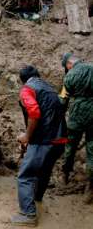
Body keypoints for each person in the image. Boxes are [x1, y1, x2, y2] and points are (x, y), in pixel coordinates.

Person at [10, 65, 67, 227]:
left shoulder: (27, 89)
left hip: (44, 141)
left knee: (25, 176)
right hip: (60, 139)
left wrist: (27, 136)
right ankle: (37, 197)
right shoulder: (50, 88)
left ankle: (28, 215)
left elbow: (34, 113)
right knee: (44, 171)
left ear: (23, 80)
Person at [60, 54, 93, 204]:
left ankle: (65, 175)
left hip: (77, 116)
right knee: (92, 151)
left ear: (68, 64)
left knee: (70, 146)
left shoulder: (69, 76)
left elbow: (62, 100)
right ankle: (90, 188)